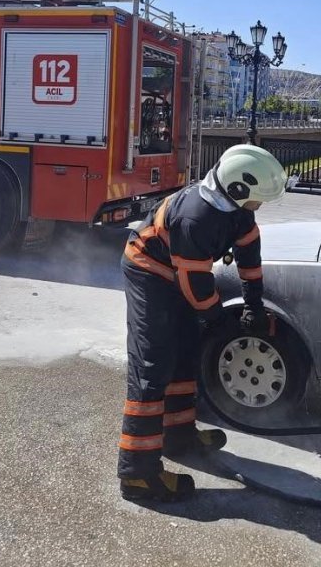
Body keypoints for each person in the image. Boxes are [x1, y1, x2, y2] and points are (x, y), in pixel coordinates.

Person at [116, 144, 289, 502]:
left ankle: (177, 435)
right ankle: (137, 474)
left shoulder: (237, 208)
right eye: (258, 199)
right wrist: (218, 320)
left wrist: (253, 303)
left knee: (185, 351)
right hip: (149, 272)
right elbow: (196, 286)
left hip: (178, 273)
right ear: (238, 188)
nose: (259, 207)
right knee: (152, 365)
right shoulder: (196, 217)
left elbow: (249, 253)